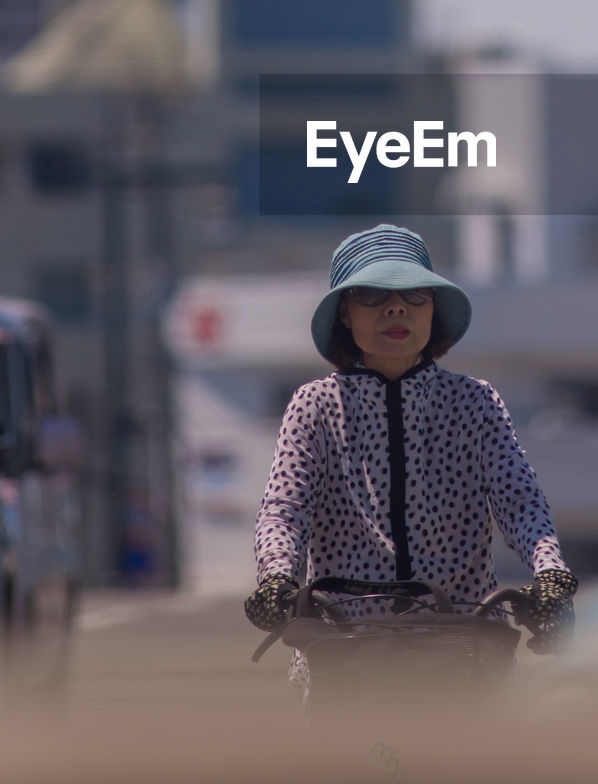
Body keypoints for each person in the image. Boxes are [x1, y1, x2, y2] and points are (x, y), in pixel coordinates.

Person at [244, 224, 577, 697]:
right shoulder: (315, 404)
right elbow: (285, 509)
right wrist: (276, 577)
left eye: (415, 295)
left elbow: (519, 501)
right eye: (374, 295)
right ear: (344, 313)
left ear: (434, 311)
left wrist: (551, 575)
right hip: (348, 642)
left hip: (463, 643)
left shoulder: (474, 401)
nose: (397, 308)